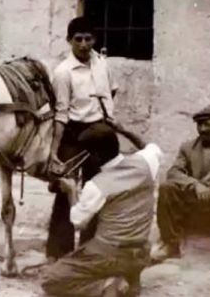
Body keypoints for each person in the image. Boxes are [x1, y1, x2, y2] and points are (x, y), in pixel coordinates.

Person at [42, 123, 162, 297]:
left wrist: (72, 192)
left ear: (97, 156)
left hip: (110, 255)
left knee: (50, 278)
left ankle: (107, 287)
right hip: (141, 253)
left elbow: (78, 222)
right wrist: (123, 130)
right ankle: (129, 278)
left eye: (86, 154)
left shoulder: (97, 185)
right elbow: (151, 147)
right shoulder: (147, 163)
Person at [47, 16, 119, 261]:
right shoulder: (63, 72)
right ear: (69, 41)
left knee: (98, 188)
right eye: (78, 39)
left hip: (100, 133)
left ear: (95, 39)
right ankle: (58, 252)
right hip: (74, 133)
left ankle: (91, 247)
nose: (84, 44)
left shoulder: (102, 63)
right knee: (65, 189)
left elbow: (112, 91)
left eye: (88, 39)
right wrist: (54, 151)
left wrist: (106, 118)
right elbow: (61, 113)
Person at [151, 106, 210, 279]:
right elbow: (174, 172)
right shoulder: (188, 147)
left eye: (207, 124)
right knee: (167, 188)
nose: (202, 129)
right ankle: (170, 244)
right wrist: (194, 185)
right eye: (199, 125)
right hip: (197, 196)